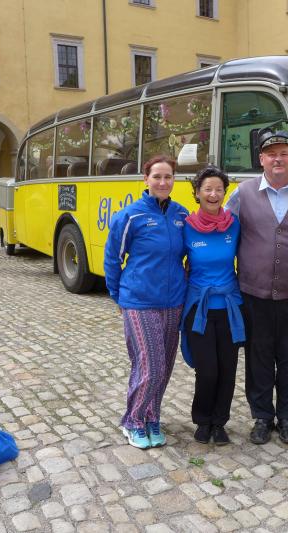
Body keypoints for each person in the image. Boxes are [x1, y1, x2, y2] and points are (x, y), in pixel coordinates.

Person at [225, 129, 288, 445]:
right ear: (261, 159)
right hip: (254, 294)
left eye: (283, 153)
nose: (277, 159)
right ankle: (262, 417)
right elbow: (223, 233)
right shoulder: (242, 193)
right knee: (259, 358)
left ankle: (287, 417)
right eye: (271, 154)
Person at [104, 155, 189, 450]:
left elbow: (188, 255)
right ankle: (133, 421)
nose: (163, 182)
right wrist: (118, 296)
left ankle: (152, 416)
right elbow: (112, 258)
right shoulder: (130, 216)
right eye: (157, 176)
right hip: (139, 301)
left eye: (168, 177)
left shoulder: (181, 214)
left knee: (164, 367)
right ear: (146, 179)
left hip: (173, 302)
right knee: (150, 366)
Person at [181, 167, 244, 445]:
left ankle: (219, 423)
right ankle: (202, 420)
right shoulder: (186, 227)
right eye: (207, 189)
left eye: (219, 189)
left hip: (230, 306)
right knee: (207, 370)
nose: (213, 194)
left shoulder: (234, 225)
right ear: (197, 193)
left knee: (227, 369)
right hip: (199, 308)